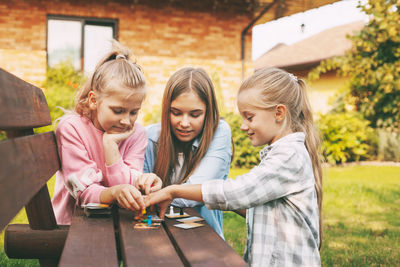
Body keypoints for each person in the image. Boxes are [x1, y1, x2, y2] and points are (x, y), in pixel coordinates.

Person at [145, 67, 323, 266]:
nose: (243, 126)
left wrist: (174, 191)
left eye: (249, 117)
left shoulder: (289, 156)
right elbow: (255, 204)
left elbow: (240, 191)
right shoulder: (281, 155)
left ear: (279, 113)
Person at [52, 41, 161, 225]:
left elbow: (129, 183)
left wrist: (111, 148)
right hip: (72, 225)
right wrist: (115, 192)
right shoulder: (71, 128)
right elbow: (83, 193)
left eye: (134, 112)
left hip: (118, 223)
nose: (126, 121)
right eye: (118, 111)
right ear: (94, 100)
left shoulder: (136, 134)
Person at [143, 67, 233, 238]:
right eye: (176, 113)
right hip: (156, 235)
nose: (184, 123)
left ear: (208, 112)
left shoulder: (219, 132)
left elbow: (197, 192)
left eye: (195, 114)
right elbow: (140, 193)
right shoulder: (150, 137)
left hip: (204, 239)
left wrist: (161, 194)